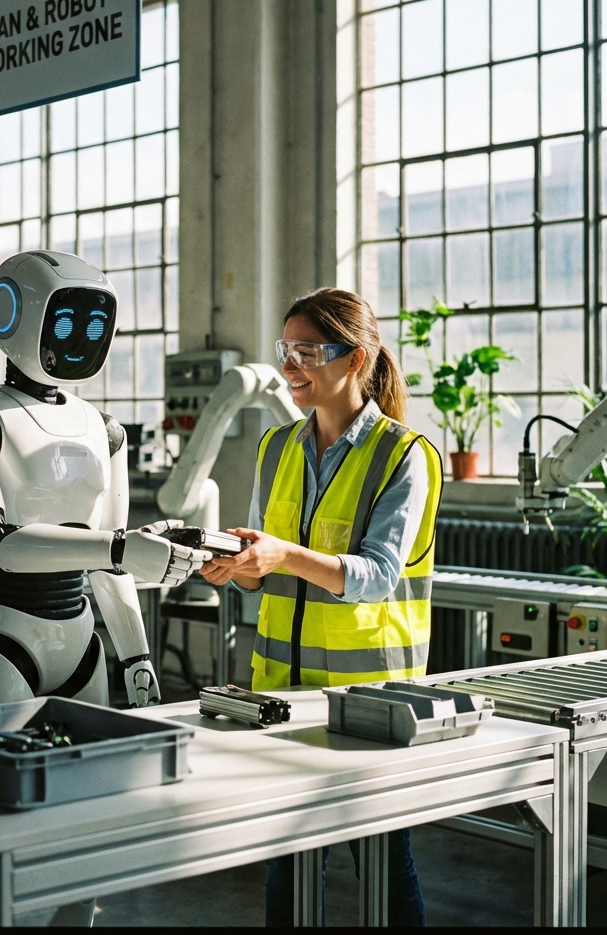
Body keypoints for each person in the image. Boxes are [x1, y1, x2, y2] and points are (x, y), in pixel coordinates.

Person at [200, 287, 442, 927]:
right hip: (282, 694)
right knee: (289, 856)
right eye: (288, 350)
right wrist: (238, 567)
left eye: (309, 351)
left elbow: (378, 576)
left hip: (373, 700)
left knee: (384, 860)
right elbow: (265, 562)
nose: (292, 366)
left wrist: (279, 555)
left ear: (355, 358)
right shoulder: (276, 447)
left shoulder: (404, 456)